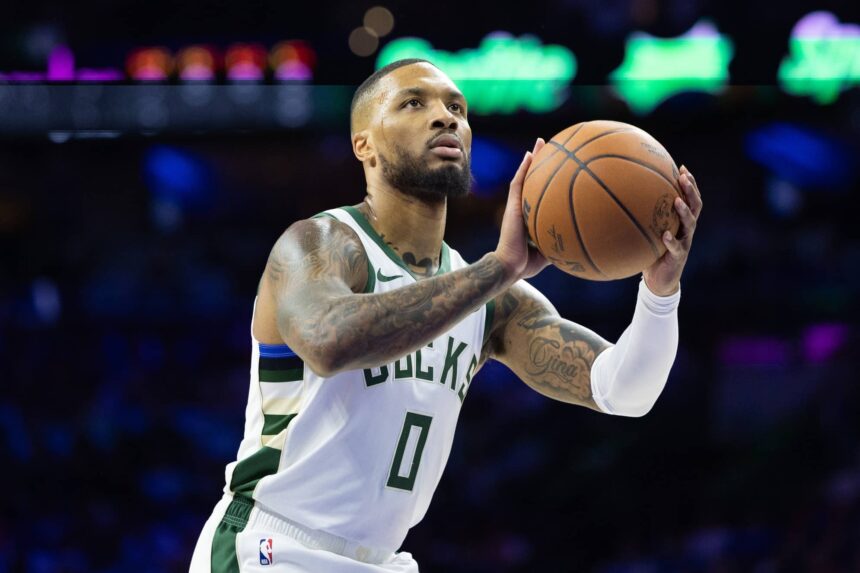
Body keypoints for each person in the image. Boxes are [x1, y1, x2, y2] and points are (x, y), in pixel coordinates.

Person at [190, 58, 703, 572]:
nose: (445, 117)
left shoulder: (491, 301)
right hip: (273, 546)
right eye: (414, 103)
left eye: (457, 108)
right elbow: (330, 342)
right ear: (363, 144)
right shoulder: (318, 244)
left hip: (380, 561)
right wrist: (498, 269)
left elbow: (625, 392)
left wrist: (660, 292)